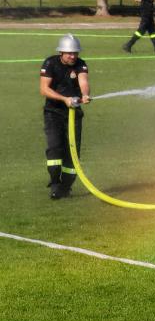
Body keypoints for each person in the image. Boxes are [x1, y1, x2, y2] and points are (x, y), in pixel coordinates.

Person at [40, 34, 91, 199]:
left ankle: (66, 187)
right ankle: (55, 182)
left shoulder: (81, 64)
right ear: (61, 52)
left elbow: (83, 82)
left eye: (75, 53)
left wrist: (85, 95)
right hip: (53, 113)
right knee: (55, 147)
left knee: (72, 152)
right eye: (69, 53)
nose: (73, 56)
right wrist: (64, 99)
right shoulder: (50, 63)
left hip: (74, 115)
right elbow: (44, 89)